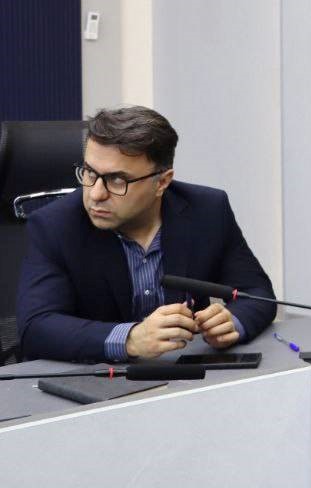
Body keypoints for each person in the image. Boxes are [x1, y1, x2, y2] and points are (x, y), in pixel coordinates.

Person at [17, 106, 277, 363]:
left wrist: (232, 321)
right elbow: (37, 327)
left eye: (117, 180)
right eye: (90, 172)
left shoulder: (207, 211)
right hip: (93, 377)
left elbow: (257, 293)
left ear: (162, 182)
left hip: (188, 377)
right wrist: (130, 339)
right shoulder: (54, 226)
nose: (96, 193)